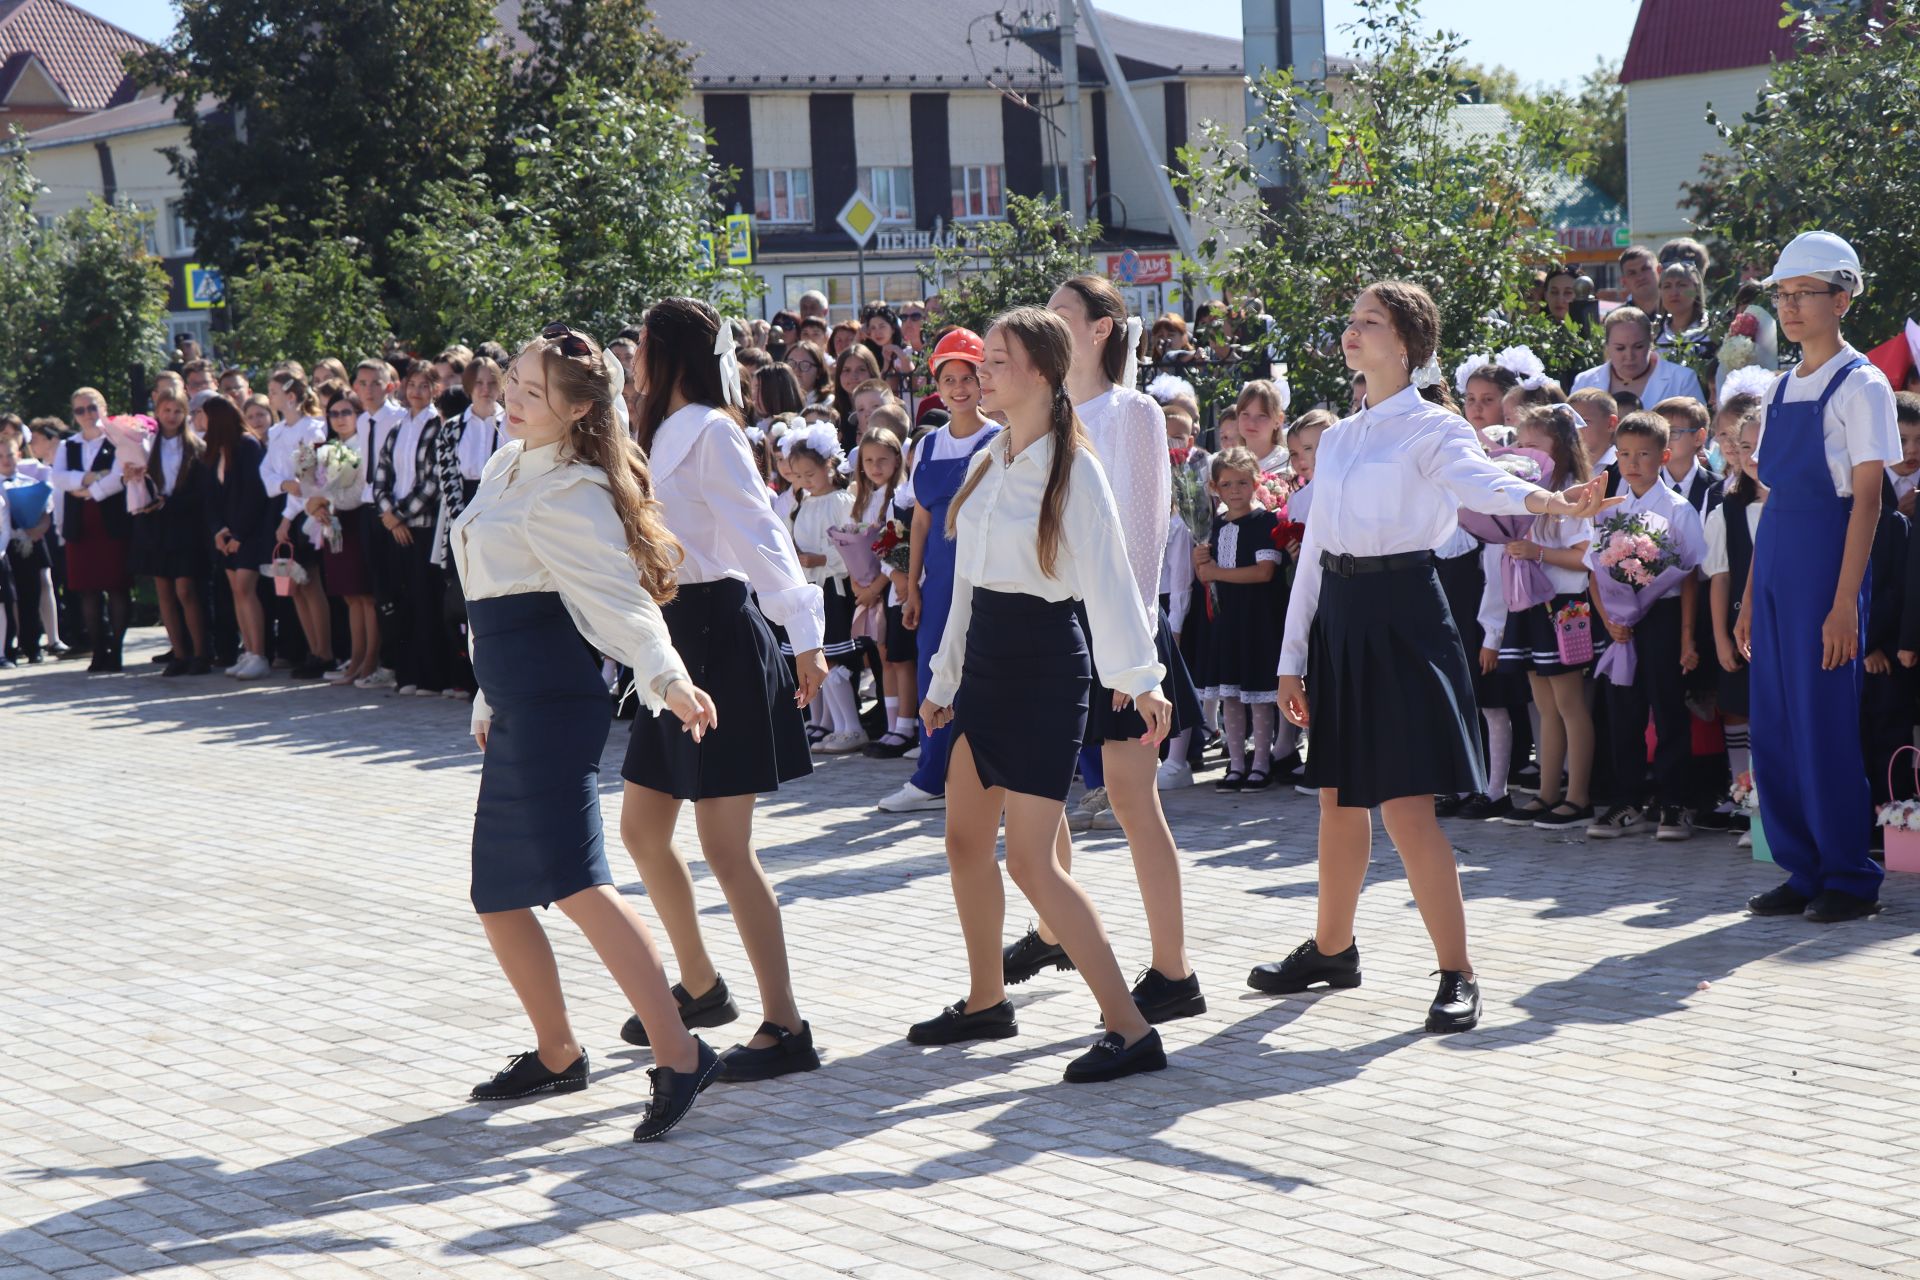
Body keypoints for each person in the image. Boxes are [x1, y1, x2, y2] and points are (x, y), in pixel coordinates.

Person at [1253, 281, 1617, 1032]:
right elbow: (1316, 550)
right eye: (1351, 320)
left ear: (1409, 344)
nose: (1353, 333)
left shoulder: (1436, 428)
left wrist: (1557, 505)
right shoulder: (1345, 434)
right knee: (1336, 800)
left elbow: (1488, 482)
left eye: (1370, 323)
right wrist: (1292, 657)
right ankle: (1332, 948)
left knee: (1407, 810)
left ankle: (1458, 971)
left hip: (1405, 613)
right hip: (1343, 619)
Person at [454, 323, 722, 1141]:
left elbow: (621, 599)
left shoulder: (568, 488)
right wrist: (483, 696)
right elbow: (494, 594)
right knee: (497, 893)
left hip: (554, 705)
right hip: (516, 698)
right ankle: (558, 1051)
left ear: (574, 412)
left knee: (575, 882)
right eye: (513, 384)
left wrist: (667, 677)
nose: (512, 399)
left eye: (531, 393)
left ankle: (680, 1053)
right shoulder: (507, 463)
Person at [911, 305, 1173, 1082]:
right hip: (985, 661)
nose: (981, 371)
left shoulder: (1075, 466)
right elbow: (965, 587)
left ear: (1042, 374)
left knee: (1030, 861)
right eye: (983, 359)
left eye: (997, 360)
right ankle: (987, 999)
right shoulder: (992, 456)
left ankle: (1130, 1028)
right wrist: (943, 680)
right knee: (963, 842)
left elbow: (1111, 581)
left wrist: (1142, 679)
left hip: (1043, 668)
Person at [618, 297, 829, 1084]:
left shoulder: (711, 430)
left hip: (721, 637)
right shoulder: (655, 429)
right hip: (673, 638)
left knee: (725, 848)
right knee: (642, 829)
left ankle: (786, 1024)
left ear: (667, 352)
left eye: (642, 343)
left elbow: (761, 534)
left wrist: (804, 636)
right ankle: (701, 987)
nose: (634, 356)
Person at [1003, 275, 1206, 1024]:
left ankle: (1173, 970)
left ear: (1103, 329)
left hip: (1117, 626)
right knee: (1037, 789)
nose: (1046, 327)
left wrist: (1136, 652)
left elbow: (1149, 532)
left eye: (1060, 315)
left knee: (1131, 799)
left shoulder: (1133, 412)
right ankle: (1057, 931)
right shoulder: (1042, 411)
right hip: (1047, 625)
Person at [1738, 231, 1901, 923]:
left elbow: (1868, 500)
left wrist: (1844, 607)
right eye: (1783, 295)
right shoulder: (1778, 385)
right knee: (1773, 725)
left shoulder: (1862, 384)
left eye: (1804, 294)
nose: (1791, 307)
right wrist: (1748, 598)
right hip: (1776, 563)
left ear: (1842, 298)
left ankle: (1848, 876)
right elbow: (1770, 497)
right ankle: (1801, 868)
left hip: (1827, 566)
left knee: (1823, 725)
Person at [879, 327, 1000, 815]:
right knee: (935, 671)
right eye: (948, 378)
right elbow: (922, 516)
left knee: (984, 675)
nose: (958, 388)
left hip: (985, 576)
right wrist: (911, 587)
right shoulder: (925, 447)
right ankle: (931, 777)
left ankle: (993, 780)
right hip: (938, 580)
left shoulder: (1000, 439)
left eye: (968, 377)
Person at [1585, 411, 1706, 841]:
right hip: (1620, 622)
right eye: (1624, 454)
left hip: (1664, 616)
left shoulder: (1678, 508)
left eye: (1643, 454)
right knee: (1623, 710)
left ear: (1664, 456)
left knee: (1668, 708)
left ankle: (1674, 802)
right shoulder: (1607, 509)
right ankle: (1629, 799)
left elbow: (1690, 573)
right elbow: (1594, 573)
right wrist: (1608, 621)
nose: (1632, 462)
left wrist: (1688, 637)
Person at [1491, 404, 1598, 829]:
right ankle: (1547, 792)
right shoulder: (1524, 491)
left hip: (1565, 608)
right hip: (1531, 605)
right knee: (1545, 706)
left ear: (1561, 446)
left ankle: (1579, 796)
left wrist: (1536, 551)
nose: (1524, 451)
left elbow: (1584, 558)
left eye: (1534, 444)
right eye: (1520, 443)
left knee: (1571, 705)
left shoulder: (1573, 490)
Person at [1194, 447, 1284, 789]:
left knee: (1257, 694)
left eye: (1243, 483)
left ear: (1256, 482)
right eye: (1227, 484)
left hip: (1256, 621)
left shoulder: (1265, 522)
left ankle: (1260, 762)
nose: (1235, 490)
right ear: (1216, 487)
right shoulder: (1213, 526)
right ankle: (1235, 763)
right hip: (1224, 622)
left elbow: (1263, 573)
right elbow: (1204, 577)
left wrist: (1216, 571)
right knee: (1229, 695)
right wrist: (1200, 562)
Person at [782, 423, 868, 753]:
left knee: (833, 654)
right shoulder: (801, 503)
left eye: (810, 474)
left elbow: (849, 544)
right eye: (799, 475)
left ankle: (851, 725)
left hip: (833, 586)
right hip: (809, 586)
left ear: (828, 466)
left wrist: (819, 558)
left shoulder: (839, 500)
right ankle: (823, 722)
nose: (805, 481)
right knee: (813, 651)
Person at [1703, 397, 1766, 837]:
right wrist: (1723, 639)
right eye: (1742, 447)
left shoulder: (1799, 503)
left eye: (1759, 447)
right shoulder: (1728, 505)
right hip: (1743, 630)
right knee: (1741, 711)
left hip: (1786, 630)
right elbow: (1720, 578)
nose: (1750, 457)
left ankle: (1775, 805)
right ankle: (1749, 802)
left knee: (1775, 718)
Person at [432, 357, 509, 701]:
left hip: (501, 516)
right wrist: (465, 523)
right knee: (462, 605)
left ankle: (498, 677)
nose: (485, 389)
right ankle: (466, 676)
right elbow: (447, 480)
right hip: (464, 517)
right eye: (478, 383)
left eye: (492, 382)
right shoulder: (452, 428)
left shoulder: (511, 424)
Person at [374, 362, 447, 697]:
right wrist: (388, 513)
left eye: (424, 384)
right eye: (412, 384)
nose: (416, 391)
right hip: (394, 528)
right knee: (399, 600)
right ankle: (407, 673)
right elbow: (382, 474)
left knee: (424, 601)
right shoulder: (398, 425)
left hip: (422, 526)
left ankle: (431, 675)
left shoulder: (437, 425)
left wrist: (400, 514)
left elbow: (433, 481)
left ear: (435, 389)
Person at [127, 385, 211, 676]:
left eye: (177, 411)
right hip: (155, 523)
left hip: (185, 523)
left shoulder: (196, 447)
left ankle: (201, 653)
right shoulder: (147, 445)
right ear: (157, 412)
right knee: (164, 591)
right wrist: (133, 479)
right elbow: (132, 478)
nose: (172, 416)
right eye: (166, 410)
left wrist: (170, 502)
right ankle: (179, 653)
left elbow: (201, 491)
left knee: (186, 589)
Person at [49, 387, 132, 673]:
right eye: (80, 410)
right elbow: (58, 477)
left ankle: (117, 651)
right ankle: (98, 650)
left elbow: (120, 475)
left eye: (92, 408)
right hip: (80, 523)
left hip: (109, 519)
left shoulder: (116, 438)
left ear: (103, 408)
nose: (87, 415)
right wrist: (89, 477)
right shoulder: (67, 445)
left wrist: (91, 490)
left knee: (117, 586)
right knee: (87, 590)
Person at [851, 423, 919, 759]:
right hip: (879, 591)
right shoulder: (862, 500)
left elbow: (896, 545)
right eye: (868, 461)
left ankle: (906, 726)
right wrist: (858, 581)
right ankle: (893, 726)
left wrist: (879, 584)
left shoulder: (901, 496)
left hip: (897, 588)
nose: (875, 467)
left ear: (898, 460)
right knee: (886, 658)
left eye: (882, 459)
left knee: (901, 658)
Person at [305, 388, 378, 685]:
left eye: (346, 412)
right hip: (335, 522)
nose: (339, 418)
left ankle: (370, 659)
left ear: (359, 414)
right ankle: (355, 658)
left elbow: (360, 491)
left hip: (358, 519)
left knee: (366, 595)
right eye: (333, 413)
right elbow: (314, 485)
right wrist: (317, 503)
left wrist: (325, 499)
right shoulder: (328, 447)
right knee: (350, 596)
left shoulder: (363, 444)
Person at [262, 373, 332, 678]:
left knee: (310, 582)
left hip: (304, 509)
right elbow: (267, 472)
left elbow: (308, 478)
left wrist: (288, 516)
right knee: (295, 587)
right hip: (283, 506)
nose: (271, 397)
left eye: (275, 392)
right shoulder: (276, 431)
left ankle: (324, 651)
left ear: (291, 396)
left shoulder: (312, 428)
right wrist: (282, 485)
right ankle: (312, 649)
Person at [201, 395, 274, 679]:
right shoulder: (215, 450)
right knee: (236, 590)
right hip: (227, 533)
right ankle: (249, 651)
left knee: (246, 588)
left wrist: (240, 534)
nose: (198, 421)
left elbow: (255, 495)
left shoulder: (247, 445)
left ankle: (260, 653)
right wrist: (219, 530)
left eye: (203, 415)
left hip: (251, 533)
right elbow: (210, 496)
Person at [351, 360, 407, 691]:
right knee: (378, 588)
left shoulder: (398, 418)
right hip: (367, 509)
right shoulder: (362, 421)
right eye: (362, 383)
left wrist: (392, 510)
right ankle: (385, 662)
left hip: (394, 510)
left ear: (389, 386)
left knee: (399, 587)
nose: (368, 390)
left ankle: (400, 661)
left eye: (375, 383)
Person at [1571, 309, 1706, 410]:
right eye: (1620, 348)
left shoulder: (1682, 379)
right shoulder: (1584, 381)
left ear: (1651, 341)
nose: (1629, 356)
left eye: (1638, 346)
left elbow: (1699, 432)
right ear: (1607, 345)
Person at [1619, 246, 1660, 314]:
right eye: (1632, 273)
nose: (1640, 277)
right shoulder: (1617, 320)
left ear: (1659, 271)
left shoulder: (1679, 312)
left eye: (1645, 269)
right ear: (1624, 282)